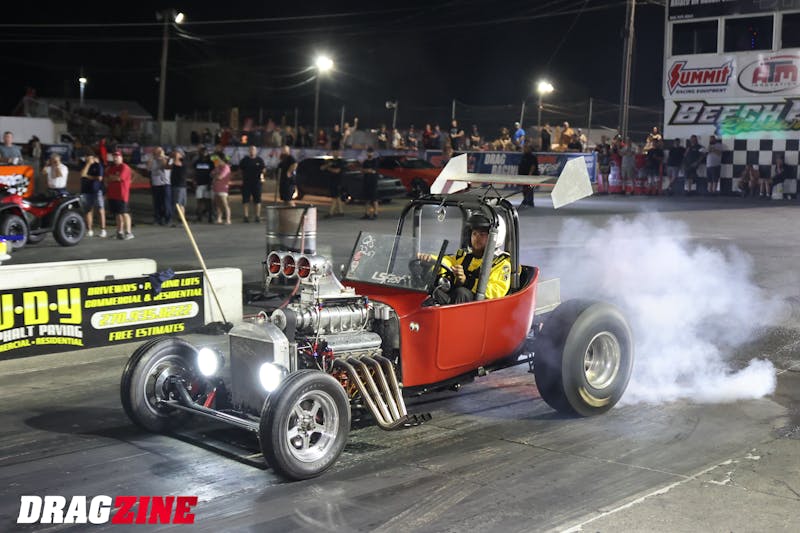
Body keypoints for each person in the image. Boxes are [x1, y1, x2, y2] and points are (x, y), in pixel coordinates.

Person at [418, 213, 511, 304]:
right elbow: (447, 261)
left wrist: (467, 281)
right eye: (474, 233)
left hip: (481, 307)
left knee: (462, 292)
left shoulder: (501, 263)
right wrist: (431, 261)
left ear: (495, 237)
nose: (476, 238)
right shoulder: (464, 257)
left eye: (482, 234)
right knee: (428, 286)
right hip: (458, 303)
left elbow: (496, 290)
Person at [105, 150, 134, 240]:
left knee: (124, 213)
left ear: (121, 157)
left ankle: (129, 232)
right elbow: (107, 178)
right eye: (114, 157)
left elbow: (119, 178)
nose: (115, 158)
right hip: (112, 194)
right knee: (117, 214)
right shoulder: (112, 168)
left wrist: (113, 178)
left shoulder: (124, 167)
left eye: (117, 157)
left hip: (122, 194)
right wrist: (113, 178)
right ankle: (119, 232)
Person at [80, 154, 106, 237]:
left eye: (90, 157)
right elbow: (82, 174)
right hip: (86, 191)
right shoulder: (84, 164)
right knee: (88, 210)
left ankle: (103, 229)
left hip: (97, 190)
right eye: (87, 157)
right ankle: (89, 230)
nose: (88, 158)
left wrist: (88, 176)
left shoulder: (98, 165)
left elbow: (99, 178)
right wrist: (88, 164)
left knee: (100, 209)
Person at [239, 145, 266, 221]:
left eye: (253, 150)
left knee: (257, 199)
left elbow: (263, 169)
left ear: (256, 151)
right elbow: (240, 170)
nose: (252, 151)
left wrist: (262, 175)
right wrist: (241, 178)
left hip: (257, 182)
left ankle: (257, 216)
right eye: (251, 150)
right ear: (248, 151)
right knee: (245, 199)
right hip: (246, 182)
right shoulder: (245, 160)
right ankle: (246, 216)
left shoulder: (259, 160)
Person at [148, 146, 172, 226]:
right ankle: (158, 218)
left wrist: (162, 157)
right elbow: (148, 168)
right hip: (156, 184)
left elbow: (166, 166)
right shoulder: (152, 159)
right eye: (156, 151)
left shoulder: (168, 159)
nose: (157, 153)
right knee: (157, 202)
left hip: (166, 183)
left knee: (166, 202)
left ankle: (167, 219)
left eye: (159, 151)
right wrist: (152, 158)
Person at [321, 151, 346, 217]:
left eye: (337, 152)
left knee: (335, 197)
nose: (335, 153)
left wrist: (328, 168)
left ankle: (330, 212)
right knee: (337, 197)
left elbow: (337, 171)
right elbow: (322, 168)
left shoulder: (340, 161)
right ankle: (341, 211)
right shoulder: (330, 161)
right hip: (331, 181)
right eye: (334, 152)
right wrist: (328, 165)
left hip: (338, 181)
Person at [193, 146, 214, 223]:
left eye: (205, 152)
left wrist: (211, 183)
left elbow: (213, 173)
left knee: (208, 201)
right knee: (199, 200)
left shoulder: (210, 162)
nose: (203, 153)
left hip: (208, 184)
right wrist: (194, 181)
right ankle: (199, 216)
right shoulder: (197, 162)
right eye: (202, 152)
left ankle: (210, 217)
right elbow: (194, 172)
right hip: (199, 183)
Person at [211, 155, 231, 224]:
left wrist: (215, 176)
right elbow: (211, 174)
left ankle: (228, 219)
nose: (218, 162)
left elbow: (220, 177)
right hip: (216, 187)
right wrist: (215, 175)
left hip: (223, 188)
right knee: (218, 204)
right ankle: (219, 218)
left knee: (225, 203)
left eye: (219, 160)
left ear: (223, 160)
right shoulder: (218, 167)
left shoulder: (226, 167)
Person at [361, 147, 379, 219]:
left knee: (374, 199)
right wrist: (368, 170)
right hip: (366, 182)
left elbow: (373, 171)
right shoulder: (365, 161)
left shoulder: (375, 161)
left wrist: (367, 170)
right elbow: (362, 170)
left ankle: (375, 213)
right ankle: (367, 213)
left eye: (371, 152)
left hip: (373, 182)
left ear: (373, 153)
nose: (369, 153)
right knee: (366, 199)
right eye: (368, 152)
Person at [170, 149, 188, 218]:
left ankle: (181, 217)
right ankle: (181, 217)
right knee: (179, 203)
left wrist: (174, 156)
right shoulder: (174, 161)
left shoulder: (182, 161)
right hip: (176, 184)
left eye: (176, 153)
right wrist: (169, 158)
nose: (174, 154)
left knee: (179, 203)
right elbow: (168, 166)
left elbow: (176, 163)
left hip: (180, 185)